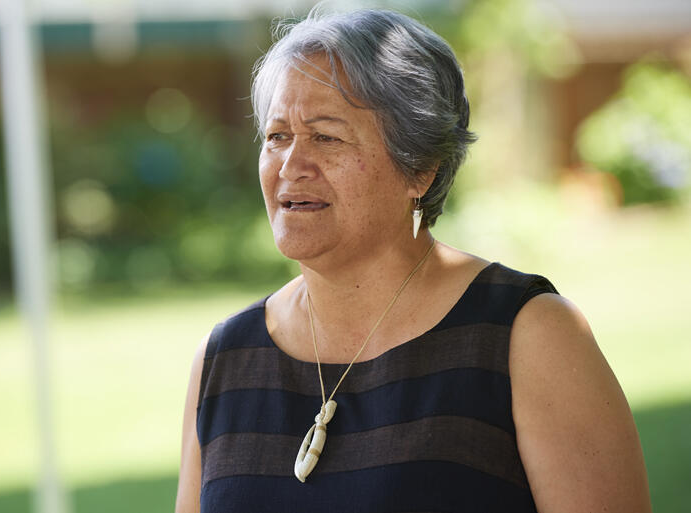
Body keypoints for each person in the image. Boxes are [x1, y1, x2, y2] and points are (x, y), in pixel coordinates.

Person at [175, 7, 651, 513]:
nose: (291, 165)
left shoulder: (528, 337)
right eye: (277, 136)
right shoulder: (223, 359)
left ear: (420, 168)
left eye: (326, 136)